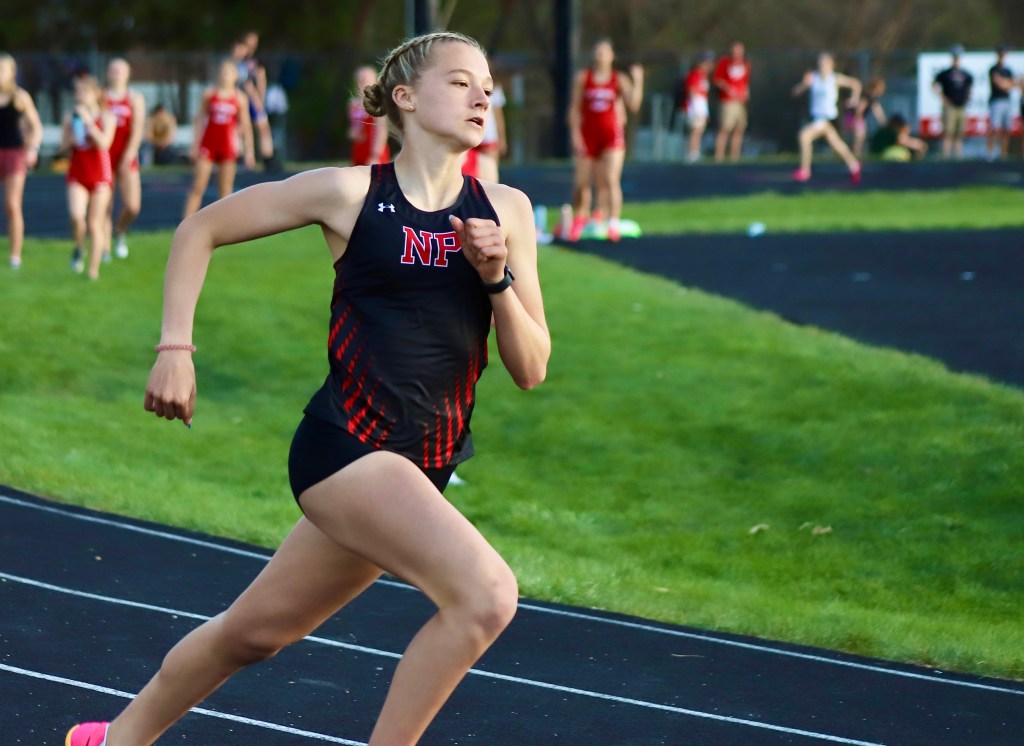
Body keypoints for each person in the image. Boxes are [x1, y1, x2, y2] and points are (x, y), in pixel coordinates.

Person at [65, 30, 549, 746]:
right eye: (460, 82)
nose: (482, 95)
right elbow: (199, 229)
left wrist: (496, 279)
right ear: (406, 98)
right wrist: (175, 349)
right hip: (346, 449)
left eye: (487, 85)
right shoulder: (350, 193)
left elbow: (531, 368)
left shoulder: (506, 210)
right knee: (486, 596)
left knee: (253, 633)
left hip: (422, 467)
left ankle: (115, 739)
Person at [566, 38, 643, 242]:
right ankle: (580, 217)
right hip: (588, 134)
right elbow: (574, 108)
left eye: (604, 52)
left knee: (609, 179)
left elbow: (633, 105)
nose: (600, 55)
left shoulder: (619, 79)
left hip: (611, 136)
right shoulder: (584, 78)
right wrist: (575, 134)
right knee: (582, 181)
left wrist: (638, 80)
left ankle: (612, 220)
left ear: (611, 56)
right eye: (597, 51)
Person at [183, 59, 255, 218]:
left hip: (227, 146)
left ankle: (223, 225)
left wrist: (249, 151)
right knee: (198, 186)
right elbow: (199, 120)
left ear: (235, 76)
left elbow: (246, 126)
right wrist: (195, 144)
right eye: (223, 71)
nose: (225, 74)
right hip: (208, 144)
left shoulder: (239, 98)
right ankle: (186, 222)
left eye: (229, 71)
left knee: (225, 190)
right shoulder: (209, 94)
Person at [61, 75, 115, 280]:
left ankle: (93, 270)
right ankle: (78, 246)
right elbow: (62, 148)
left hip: (100, 174)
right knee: (77, 217)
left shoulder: (107, 117)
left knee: (94, 223)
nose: (80, 95)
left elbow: (104, 143)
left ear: (96, 94)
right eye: (78, 92)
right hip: (78, 172)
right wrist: (71, 141)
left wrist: (89, 122)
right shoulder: (70, 116)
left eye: (84, 91)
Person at [791, 52, 862, 184]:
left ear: (831, 64)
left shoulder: (835, 79)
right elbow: (795, 92)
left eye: (824, 62)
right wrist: (804, 84)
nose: (822, 65)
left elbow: (856, 84)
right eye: (820, 62)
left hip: (828, 118)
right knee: (837, 145)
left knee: (804, 136)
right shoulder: (813, 78)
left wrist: (854, 98)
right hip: (817, 118)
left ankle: (805, 170)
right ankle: (854, 165)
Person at [0, 53, 42, 270]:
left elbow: (36, 126)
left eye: (1, 69)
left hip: (14, 154)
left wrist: (33, 148)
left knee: (12, 204)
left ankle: (15, 256)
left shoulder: (19, 97)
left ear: (11, 73)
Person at [104, 58, 146, 260]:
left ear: (128, 74)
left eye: (121, 70)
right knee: (105, 205)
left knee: (133, 205)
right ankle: (103, 249)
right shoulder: (101, 97)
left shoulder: (134, 98)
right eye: (113, 70)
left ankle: (119, 231)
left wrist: (129, 154)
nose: (117, 73)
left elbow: (138, 129)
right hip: (104, 156)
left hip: (126, 154)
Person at [236, 31, 277, 170]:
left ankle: (268, 158)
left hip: (255, 100)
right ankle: (244, 158)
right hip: (243, 99)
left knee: (263, 127)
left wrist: (260, 99)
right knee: (241, 129)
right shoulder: (238, 62)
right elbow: (246, 85)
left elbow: (261, 80)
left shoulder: (257, 60)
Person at [932, 44, 973, 159]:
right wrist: (942, 97)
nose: (956, 59)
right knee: (948, 132)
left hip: (961, 106)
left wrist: (967, 98)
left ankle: (958, 157)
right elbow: (934, 85)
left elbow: (969, 88)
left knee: (959, 134)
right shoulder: (945, 73)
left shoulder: (966, 74)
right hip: (950, 107)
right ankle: (945, 156)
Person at [712, 41, 750, 162]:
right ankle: (719, 156)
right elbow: (717, 79)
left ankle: (735, 156)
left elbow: (745, 82)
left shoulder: (745, 64)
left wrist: (746, 93)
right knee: (725, 128)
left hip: (740, 102)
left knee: (739, 129)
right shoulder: (724, 62)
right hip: (728, 101)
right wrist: (728, 88)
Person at [348, 64, 390, 166]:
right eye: (359, 79)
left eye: (365, 79)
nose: (361, 82)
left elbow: (381, 131)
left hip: (373, 149)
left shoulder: (377, 103)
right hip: (359, 149)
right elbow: (353, 128)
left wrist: (375, 155)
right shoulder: (353, 104)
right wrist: (352, 133)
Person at [682, 51, 714, 163]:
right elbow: (691, 91)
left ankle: (696, 152)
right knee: (694, 130)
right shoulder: (694, 74)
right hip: (695, 106)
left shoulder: (704, 76)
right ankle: (691, 153)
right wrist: (696, 109)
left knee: (699, 130)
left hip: (702, 106)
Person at [845, 77, 886, 158]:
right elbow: (860, 108)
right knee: (858, 136)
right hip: (854, 117)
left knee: (857, 137)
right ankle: (855, 155)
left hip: (853, 117)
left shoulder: (871, 98)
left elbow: (877, 109)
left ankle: (854, 154)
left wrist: (882, 121)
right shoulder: (867, 96)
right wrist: (857, 119)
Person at [987, 45, 1014, 160]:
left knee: (1006, 129)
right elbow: (1000, 84)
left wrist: (1005, 83)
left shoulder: (1008, 70)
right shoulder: (993, 69)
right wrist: (1006, 83)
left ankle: (1004, 154)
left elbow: (1011, 84)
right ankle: (990, 154)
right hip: (996, 100)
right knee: (995, 128)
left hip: (1007, 101)